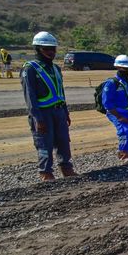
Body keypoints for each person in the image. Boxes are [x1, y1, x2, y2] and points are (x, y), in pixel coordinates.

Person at [20, 31, 78, 181]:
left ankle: (66, 168)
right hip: (42, 113)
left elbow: (61, 92)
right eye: (47, 49)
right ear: (38, 49)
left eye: (53, 49)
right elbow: (30, 96)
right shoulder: (30, 68)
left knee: (63, 141)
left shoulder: (56, 69)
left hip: (58, 111)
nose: (51, 52)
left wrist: (66, 112)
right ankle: (45, 172)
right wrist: (37, 118)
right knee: (44, 142)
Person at [103, 55, 128, 165]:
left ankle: (125, 153)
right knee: (125, 132)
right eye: (126, 69)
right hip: (117, 113)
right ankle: (125, 156)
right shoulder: (112, 83)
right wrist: (119, 116)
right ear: (118, 68)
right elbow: (107, 103)